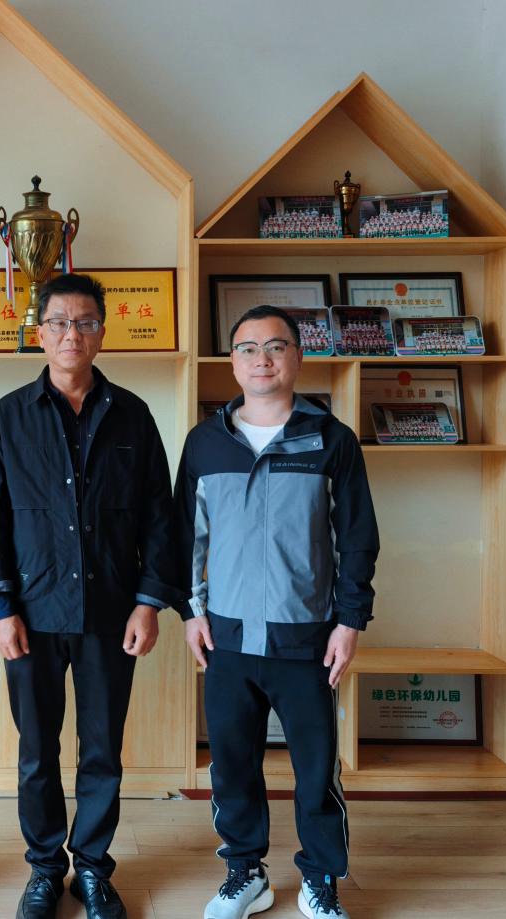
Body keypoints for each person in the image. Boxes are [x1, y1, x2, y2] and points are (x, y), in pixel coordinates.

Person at [0, 273, 176, 919]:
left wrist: (148, 602)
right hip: (30, 615)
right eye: (59, 322)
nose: (71, 334)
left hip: (111, 613)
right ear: (40, 333)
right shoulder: (8, 417)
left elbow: (160, 519)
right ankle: (43, 868)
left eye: (85, 322)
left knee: (102, 750)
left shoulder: (133, 416)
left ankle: (92, 868)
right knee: (37, 752)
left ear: (101, 333)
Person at [173, 305, 380, 919]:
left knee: (316, 769)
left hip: (307, 638)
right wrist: (191, 612)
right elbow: (186, 536)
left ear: (297, 356)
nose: (261, 359)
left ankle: (321, 878)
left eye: (275, 346)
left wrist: (350, 621)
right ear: (232, 361)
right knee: (232, 764)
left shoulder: (331, 440)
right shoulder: (206, 442)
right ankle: (246, 873)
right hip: (228, 638)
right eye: (247, 348)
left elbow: (357, 538)